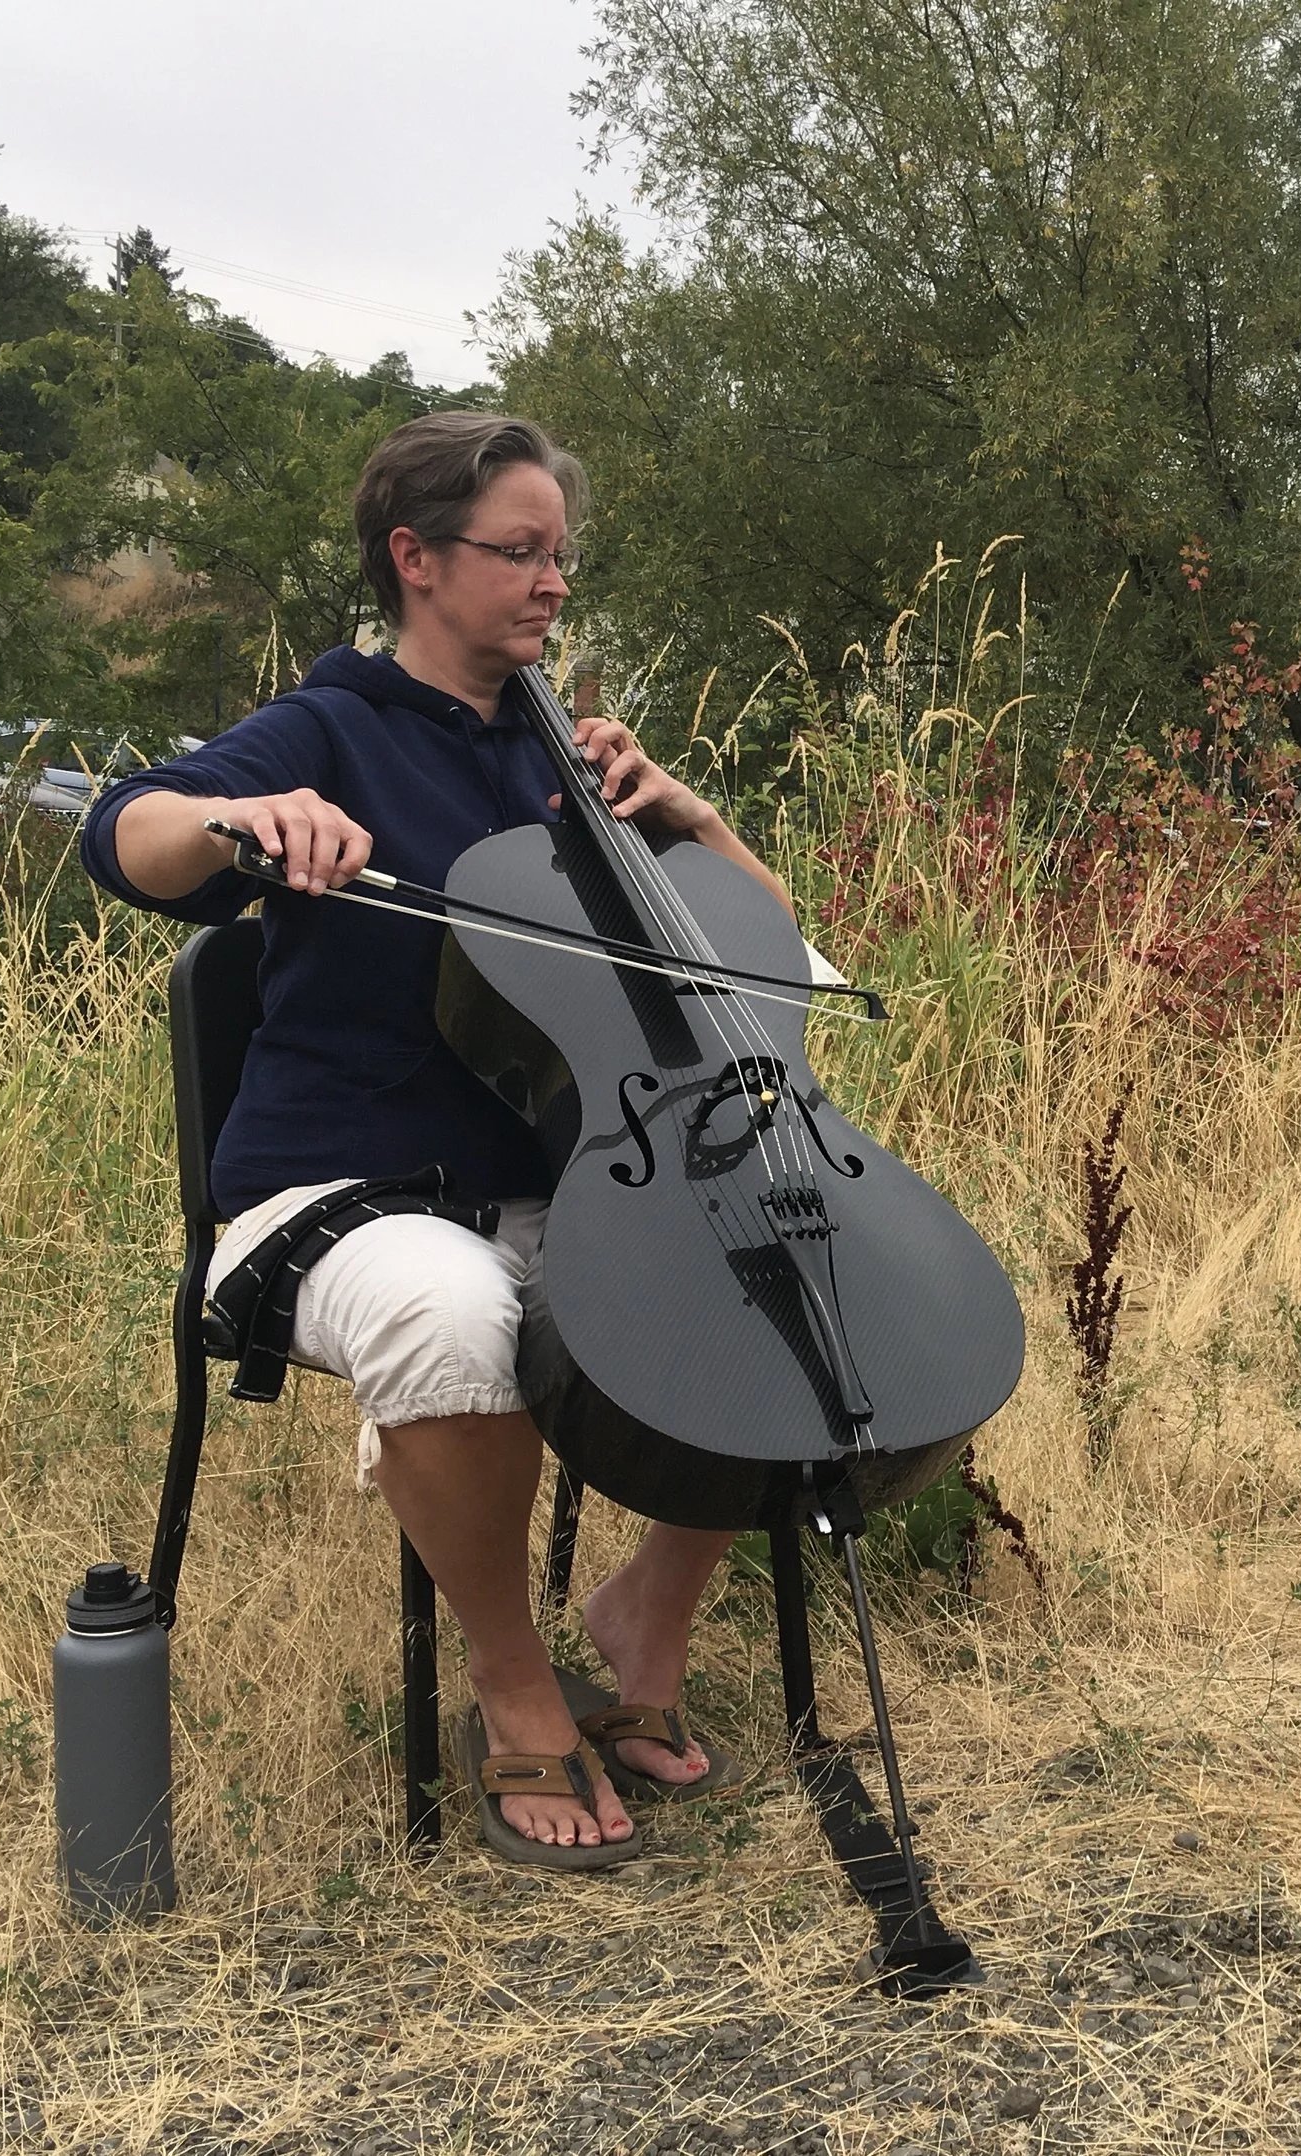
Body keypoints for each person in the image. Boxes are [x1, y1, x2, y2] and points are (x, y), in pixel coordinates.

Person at [83, 412, 783, 1862]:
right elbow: (127, 834)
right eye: (518, 554)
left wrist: (687, 812)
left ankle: (644, 1626)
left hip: (556, 1181)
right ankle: (514, 1682)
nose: (552, 585)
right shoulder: (331, 724)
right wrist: (239, 819)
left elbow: (760, 951)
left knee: (757, 1280)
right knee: (450, 1308)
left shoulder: (566, 759)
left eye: (561, 558)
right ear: (416, 559)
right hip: (329, 1193)